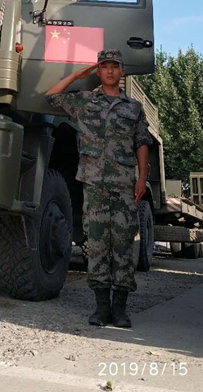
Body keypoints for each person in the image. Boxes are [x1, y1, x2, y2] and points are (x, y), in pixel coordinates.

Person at [45, 48, 152, 328]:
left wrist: (142, 178)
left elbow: (142, 143)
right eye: (104, 66)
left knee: (123, 245)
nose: (110, 71)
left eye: (114, 66)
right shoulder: (85, 102)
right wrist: (79, 74)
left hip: (124, 186)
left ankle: (120, 309)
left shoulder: (134, 108)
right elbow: (52, 96)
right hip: (94, 186)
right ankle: (101, 308)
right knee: (96, 245)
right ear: (99, 71)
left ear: (122, 71)